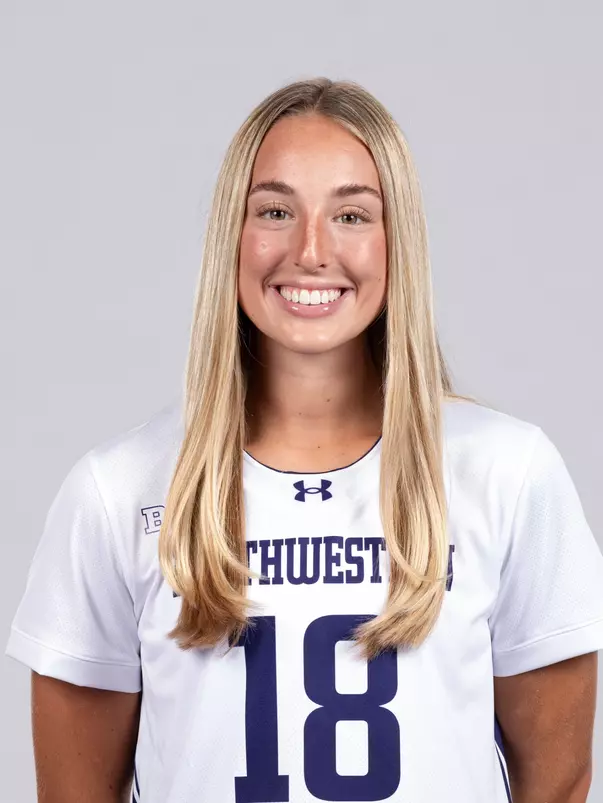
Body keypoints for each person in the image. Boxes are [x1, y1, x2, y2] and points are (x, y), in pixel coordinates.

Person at [5, 77, 603, 803]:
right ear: (232, 234)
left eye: (351, 215)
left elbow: (557, 782)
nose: (311, 251)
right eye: (275, 211)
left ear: (397, 241)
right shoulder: (118, 490)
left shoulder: (507, 472)